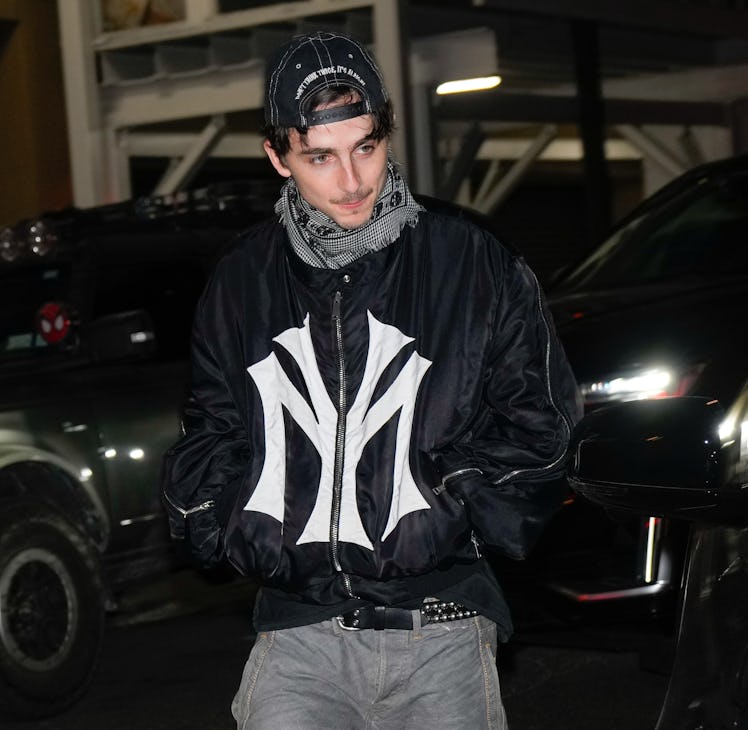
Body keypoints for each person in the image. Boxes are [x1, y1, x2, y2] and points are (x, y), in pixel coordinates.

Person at [162, 30, 581, 730]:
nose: (351, 181)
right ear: (278, 157)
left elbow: (543, 427)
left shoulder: (473, 262)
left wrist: (450, 497)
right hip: (298, 638)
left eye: (365, 146)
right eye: (319, 157)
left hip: (443, 631)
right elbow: (213, 432)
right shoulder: (240, 282)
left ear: (387, 132)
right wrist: (238, 527)